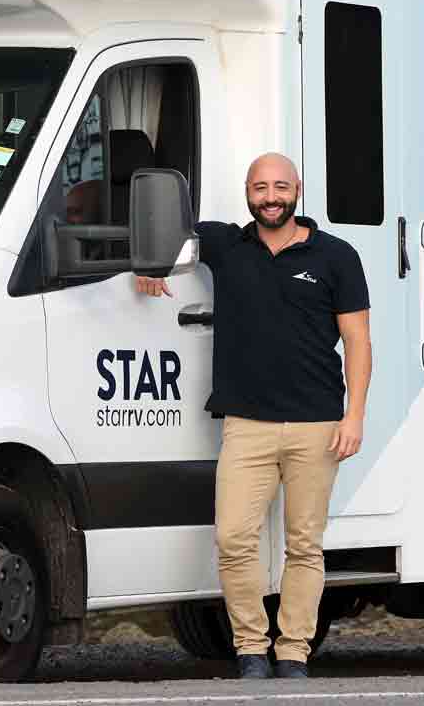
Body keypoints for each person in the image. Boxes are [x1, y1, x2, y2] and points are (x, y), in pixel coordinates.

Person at [136, 152, 372, 680]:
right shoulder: (224, 244)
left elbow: (357, 340)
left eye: (281, 187)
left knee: (304, 544)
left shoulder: (337, 256)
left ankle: (293, 653)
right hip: (246, 425)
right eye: (261, 187)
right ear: (248, 192)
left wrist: (354, 415)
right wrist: (148, 265)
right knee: (233, 538)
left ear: (299, 190)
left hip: (317, 424)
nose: (271, 197)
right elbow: (160, 227)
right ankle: (249, 648)